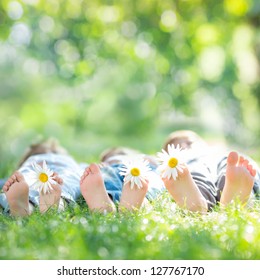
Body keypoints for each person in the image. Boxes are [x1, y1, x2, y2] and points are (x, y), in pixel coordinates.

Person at [161, 130, 260, 213]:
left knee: (231, 167)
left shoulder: (217, 151)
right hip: (189, 165)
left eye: (189, 142)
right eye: (176, 146)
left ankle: (238, 191)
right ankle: (197, 202)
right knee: (193, 174)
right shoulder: (184, 164)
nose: (183, 145)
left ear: (204, 144)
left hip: (224, 160)